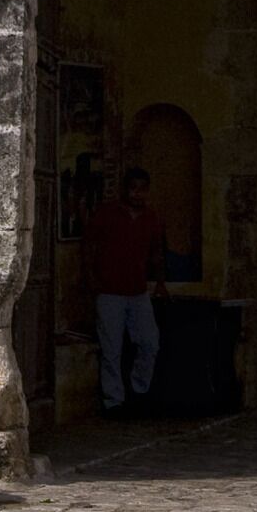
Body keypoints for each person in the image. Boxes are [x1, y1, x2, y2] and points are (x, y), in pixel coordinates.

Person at [89, 164, 167, 412]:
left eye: (142, 189)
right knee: (111, 349)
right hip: (109, 292)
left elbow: (156, 253)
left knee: (150, 343)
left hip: (138, 292)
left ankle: (139, 390)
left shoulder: (151, 218)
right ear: (125, 189)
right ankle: (114, 400)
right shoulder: (107, 214)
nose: (137, 194)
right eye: (133, 189)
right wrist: (91, 279)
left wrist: (160, 282)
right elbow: (90, 247)